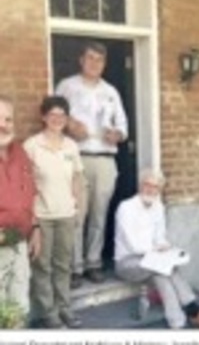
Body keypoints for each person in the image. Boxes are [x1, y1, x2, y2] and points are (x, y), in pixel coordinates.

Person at [114, 169, 199, 329]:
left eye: (155, 187)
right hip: (127, 262)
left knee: (163, 272)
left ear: (159, 190)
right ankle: (194, 312)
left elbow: (160, 237)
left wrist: (167, 249)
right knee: (162, 269)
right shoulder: (126, 208)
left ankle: (178, 323)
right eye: (147, 184)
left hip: (151, 259)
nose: (150, 190)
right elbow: (134, 245)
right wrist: (158, 253)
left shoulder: (158, 207)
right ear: (140, 185)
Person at [56, 41, 128, 288]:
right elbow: (54, 115)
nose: (94, 63)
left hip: (105, 159)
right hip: (76, 157)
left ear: (104, 64)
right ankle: (74, 267)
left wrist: (117, 134)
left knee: (99, 214)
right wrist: (69, 125)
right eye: (90, 58)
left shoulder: (111, 91)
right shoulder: (67, 86)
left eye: (99, 59)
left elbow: (123, 126)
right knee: (77, 214)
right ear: (81, 60)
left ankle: (93, 262)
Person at [24, 96, 83, 329]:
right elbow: (25, 185)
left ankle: (64, 308)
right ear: (44, 117)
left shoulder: (71, 146)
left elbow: (77, 178)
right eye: (52, 115)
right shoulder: (32, 146)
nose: (57, 119)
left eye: (62, 115)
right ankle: (49, 313)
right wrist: (32, 220)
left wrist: (77, 207)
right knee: (42, 266)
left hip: (66, 214)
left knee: (63, 265)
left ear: (67, 119)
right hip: (42, 216)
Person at [0, 95, 40, 326]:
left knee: (18, 308)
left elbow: (29, 193)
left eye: (8, 119)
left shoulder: (20, 153)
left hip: (19, 243)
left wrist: (35, 227)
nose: (3, 125)